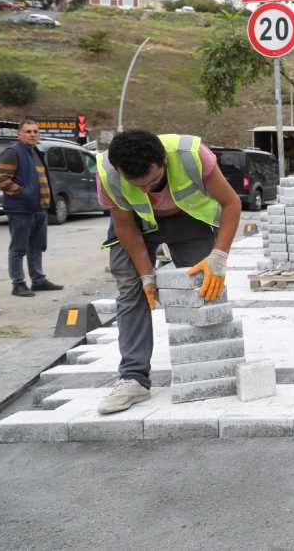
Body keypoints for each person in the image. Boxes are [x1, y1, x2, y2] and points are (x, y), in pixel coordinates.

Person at [95, 130, 241, 414]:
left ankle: (209, 367)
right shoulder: (108, 173)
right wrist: (147, 276)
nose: (148, 191)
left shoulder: (192, 155)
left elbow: (231, 203)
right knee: (131, 291)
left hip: (188, 220)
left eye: (153, 182)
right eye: (138, 186)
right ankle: (133, 378)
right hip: (136, 225)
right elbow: (125, 226)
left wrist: (219, 257)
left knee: (203, 289)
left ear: (162, 160)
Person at [0, 120, 63, 297]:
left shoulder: (36, 152)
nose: (32, 134)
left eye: (35, 131)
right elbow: (1, 179)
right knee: (18, 248)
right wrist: (24, 193)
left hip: (39, 208)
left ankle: (38, 280)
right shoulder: (13, 152)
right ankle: (18, 284)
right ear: (19, 135)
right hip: (21, 209)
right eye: (28, 131)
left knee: (37, 247)